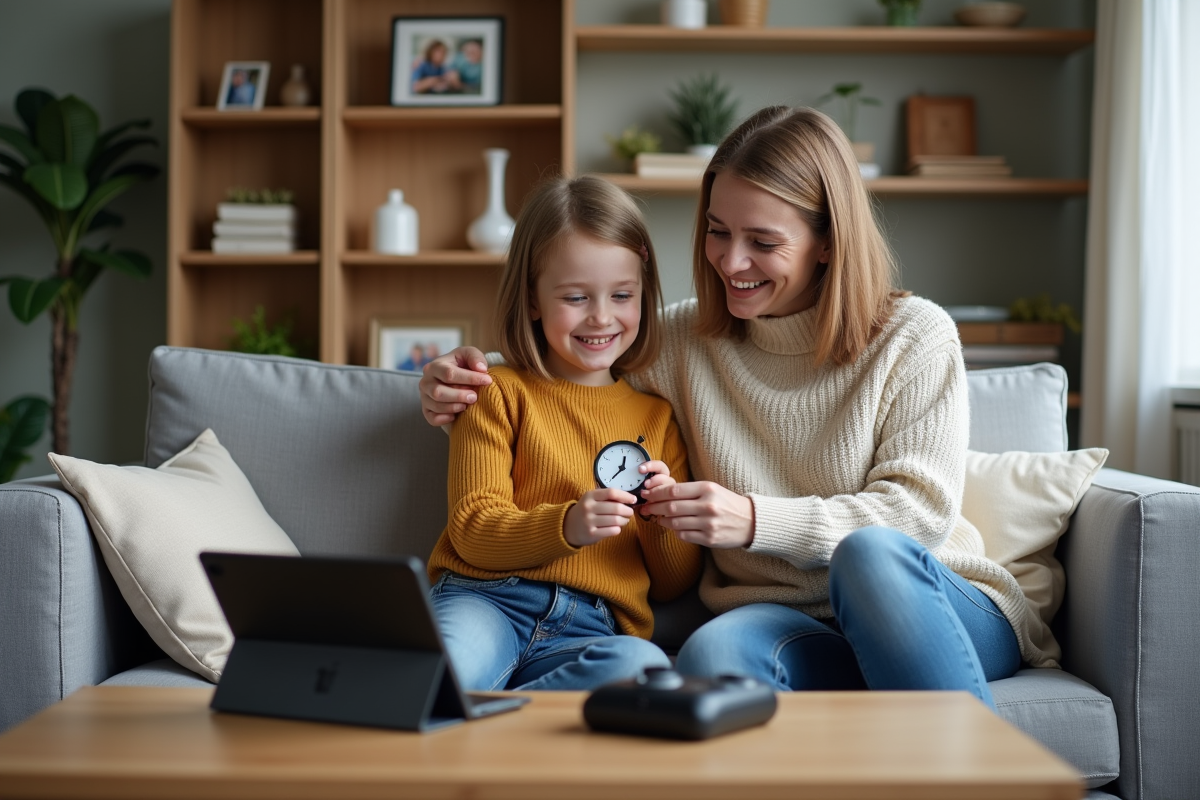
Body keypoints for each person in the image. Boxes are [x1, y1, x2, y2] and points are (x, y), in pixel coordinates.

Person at [419, 106, 1042, 710]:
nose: (730, 262)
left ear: (827, 242)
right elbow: (573, 352)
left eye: (762, 242)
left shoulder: (914, 334)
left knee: (870, 553)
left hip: (930, 607)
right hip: (789, 625)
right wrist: (459, 372)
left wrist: (752, 519)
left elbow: (918, 516)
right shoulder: (685, 341)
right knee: (710, 658)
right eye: (718, 231)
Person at [424, 174, 702, 692]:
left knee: (644, 670)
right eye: (576, 297)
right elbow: (472, 528)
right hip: (487, 600)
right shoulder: (497, 392)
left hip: (593, 626)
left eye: (622, 294)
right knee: (448, 671)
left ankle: (483, 721)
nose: (601, 317)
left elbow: (672, 582)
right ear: (532, 299)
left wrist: (664, 515)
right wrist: (568, 524)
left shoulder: (656, 419)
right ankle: (475, 713)